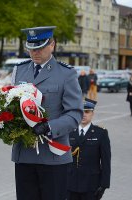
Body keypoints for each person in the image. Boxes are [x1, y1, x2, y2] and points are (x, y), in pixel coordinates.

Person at [11, 26, 83, 200]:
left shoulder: (66, 74)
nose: (35, 52)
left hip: (53, 156)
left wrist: (49, 127)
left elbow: (75, 113)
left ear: (52, 45)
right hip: (24, 154)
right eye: (31, 48)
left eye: (40, 47)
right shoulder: (19, 70)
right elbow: (11, 105)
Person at [66, 98, 111, 200]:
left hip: (91, 185)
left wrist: (104, 185)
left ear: (92, 113)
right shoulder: (69, 132)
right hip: (70, 184)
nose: (84, 115)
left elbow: (106, 161)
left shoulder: (101, 133)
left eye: (87, 112)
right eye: (81, 112)